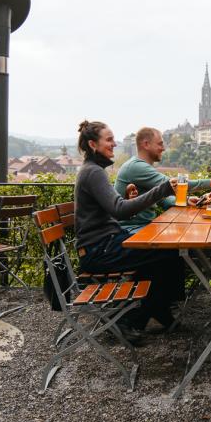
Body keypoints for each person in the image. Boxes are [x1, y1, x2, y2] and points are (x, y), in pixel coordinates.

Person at [74, 120, 183, 334]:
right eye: (109, 139)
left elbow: (114, 206)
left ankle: (156, 310)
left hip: (101, 246)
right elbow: (120, 210)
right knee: (170, 253)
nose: (114, 144)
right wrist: (162, 190)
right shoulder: (93, 172)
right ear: (92, 145)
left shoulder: (92, 170)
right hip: (99, 251)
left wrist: (127, 198)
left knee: (159, 258)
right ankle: (133, 320)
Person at [114, 127, 211, 234]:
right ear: (146, 144)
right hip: (130, 231)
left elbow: (162, 198)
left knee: (184, 237)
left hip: (143, 227)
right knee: (184, 239)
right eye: (160, 144)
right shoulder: (135, 167)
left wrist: (186, 200)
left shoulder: (140, 167)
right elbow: (173, 184)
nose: (163, 148)